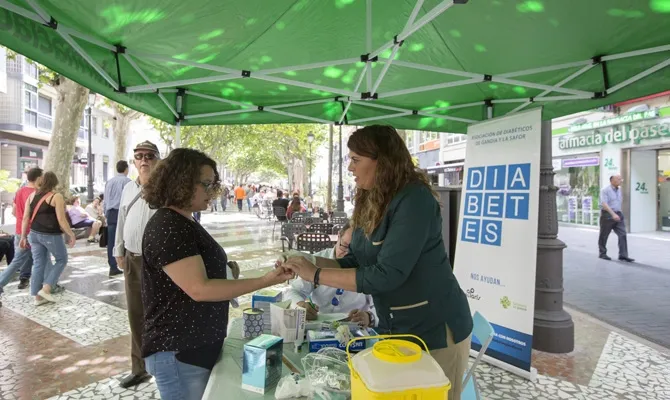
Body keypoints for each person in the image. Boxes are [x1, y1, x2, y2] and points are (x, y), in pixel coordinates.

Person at [282, 125, 473, 400]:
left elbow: (386, 275)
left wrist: (316, 274)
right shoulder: (370, 198)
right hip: (394, 328)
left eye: (356, 160)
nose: (350, 168)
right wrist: (305, 262)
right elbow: (355, 260)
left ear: (382, 161)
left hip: (434, 330)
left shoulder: (414, 198)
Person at [141, 148, 293, 400]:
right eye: (207, 184)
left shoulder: (182, 221)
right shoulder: (169, 225)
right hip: (179, 351)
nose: (212, 191)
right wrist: (265, 280)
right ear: (182, 183)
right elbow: (199, 289)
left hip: (192, 347)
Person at [113, 141, 160, 389]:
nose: (144, 160)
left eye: (150, 156)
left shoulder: (168, 189)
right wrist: (118, 249)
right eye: (139, 156)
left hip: (161, 263)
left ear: (158, 160)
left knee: (161, 313)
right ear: (133, 162)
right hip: (132, 258)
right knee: (136, 314)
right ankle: (139, 368)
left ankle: (164, 365)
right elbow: (121, 219)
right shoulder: (129, 189)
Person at [283, 222, 377, 326]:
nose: (348, 256)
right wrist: (300, 305)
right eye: (345, 246)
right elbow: (292, 291)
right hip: (318, 325)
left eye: (355, 251)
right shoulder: (317, 261)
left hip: (354, 328)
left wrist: (369, 317)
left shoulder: (371, 269)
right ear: (338, 236)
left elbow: (381, 309)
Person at [20, 172, 76, 306]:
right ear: (55, 183)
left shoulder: (31, 196)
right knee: (62, 259)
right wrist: (71, 234)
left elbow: (25, 218)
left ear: (42, 181)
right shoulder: (56, 196)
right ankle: (46, 288)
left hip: (33, 234)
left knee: (38, 263)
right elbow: (61, 220)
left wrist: (23, 236)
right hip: (50, 235)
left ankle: (37, 296)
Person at [0, 168, 42, 302]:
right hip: (31, 231)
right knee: (30, 260)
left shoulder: (19, 191)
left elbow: (14, 211)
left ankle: (43, 284)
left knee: (25, 259)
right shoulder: (36, 193)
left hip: (19, 230)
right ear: (38, 178)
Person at [104, 161, 131, 277]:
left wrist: (106, 213)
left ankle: (113, 266)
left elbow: (105, 199)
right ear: (126, 169)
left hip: (110, 212)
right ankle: (125, 265)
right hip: (121, 213)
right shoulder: (128, 182)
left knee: (111, 242)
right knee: (124, 240)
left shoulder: (109, 182)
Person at [599, 175, 634, 262]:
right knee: (604, 235)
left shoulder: (619, 190)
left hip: (618, 214)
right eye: (618, 179)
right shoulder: (605, 190)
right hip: (607, 214)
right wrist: (613, 214)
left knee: (622, 234)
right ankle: (602, 253)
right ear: (612, 180)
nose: (621, 180)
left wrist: (618, 212)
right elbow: (604, 204)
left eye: (621, 179)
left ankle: (623, 255)